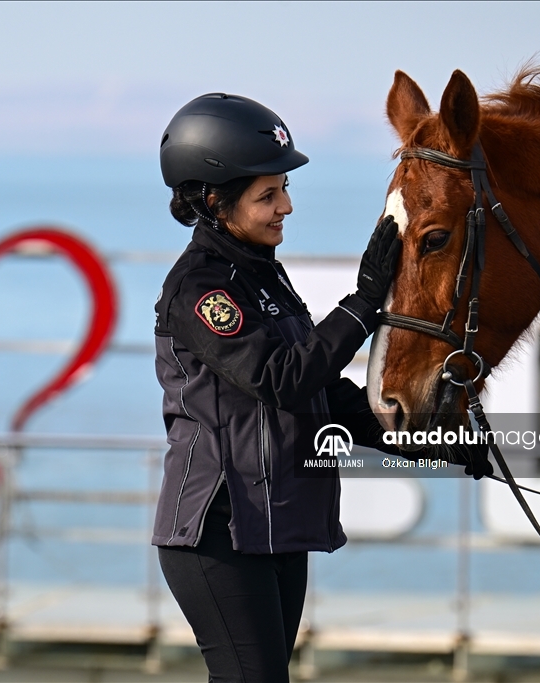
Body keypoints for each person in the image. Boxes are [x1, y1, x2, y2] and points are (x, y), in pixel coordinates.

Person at [150, 93, 402, 682]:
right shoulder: (200, 288)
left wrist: (428, 438)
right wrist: (365, 304)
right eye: (268, 195)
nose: (286, 206)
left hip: (274, 522)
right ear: (214, 201)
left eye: (284, 190)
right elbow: (281, 380)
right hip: (216, 531)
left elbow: (322, 394)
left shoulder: (263, 273)